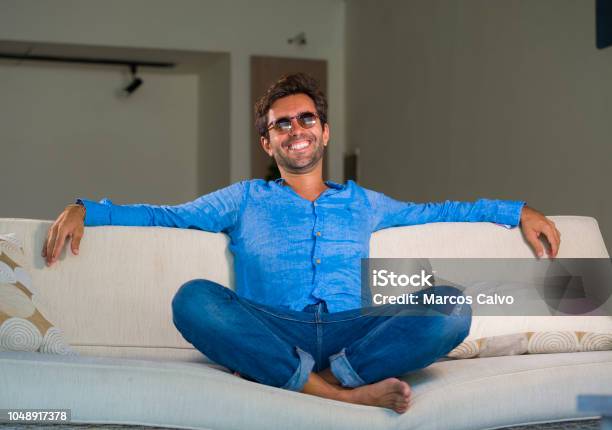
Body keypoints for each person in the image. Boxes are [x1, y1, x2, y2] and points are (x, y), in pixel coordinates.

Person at [42, 73, 561, 414]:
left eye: (306, 119)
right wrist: (91, 207)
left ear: (325, 132)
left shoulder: (365, 202)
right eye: (281, 124)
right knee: (192, 299)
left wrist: (515, 211)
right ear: (268, 143)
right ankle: (343, 396)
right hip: (275, 325)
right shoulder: (244, 198)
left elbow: (443, 211)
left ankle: (333, 380)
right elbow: (167, 215)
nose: (296, 129)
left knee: (450, 305)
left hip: (352, 330)